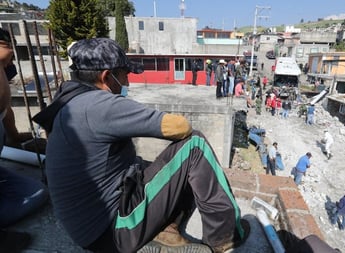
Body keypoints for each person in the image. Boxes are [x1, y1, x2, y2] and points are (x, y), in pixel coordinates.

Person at [32, 38, 249, 253]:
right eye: (124, 75)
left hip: (90, 230)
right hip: (114, 232)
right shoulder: (100, 105)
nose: (126, 83)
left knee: (159, 165)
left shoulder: (67, 103)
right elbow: (180, 127)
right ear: (106, 76)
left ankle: (165, 231)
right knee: (195, 146)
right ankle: (226, 235)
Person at [0, 27, 48, 252]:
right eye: (7, 45)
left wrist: (15, 136)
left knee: (35, 193)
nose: (11, 55)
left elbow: (5, 109)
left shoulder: (5, 69)